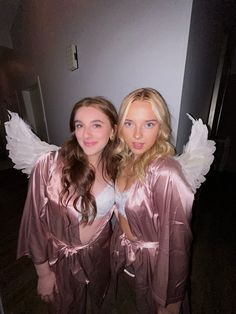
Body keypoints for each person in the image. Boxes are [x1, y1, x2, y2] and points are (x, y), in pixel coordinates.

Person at [17, 96, 119, 313]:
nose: (86, 134)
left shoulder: (117, 167)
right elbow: (34, 223)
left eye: (96, 125)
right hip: (61, 261)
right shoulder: (50, 165)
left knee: (98, 303)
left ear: (113, 131)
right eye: (79, 125)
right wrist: (43, 273)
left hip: (100, 254)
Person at [111, 88, 194, 314]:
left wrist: (172, 299)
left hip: (157, 265)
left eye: (149, 124)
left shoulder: (166, 172)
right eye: (129, 123)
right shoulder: (124, 161)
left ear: (161, 127)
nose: (137, 135)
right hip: (130, 255)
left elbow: (177, 241)